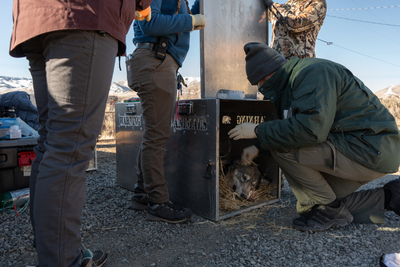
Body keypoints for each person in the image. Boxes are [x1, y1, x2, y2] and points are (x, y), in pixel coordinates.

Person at [9, 0, 152, 266]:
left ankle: (53, 245)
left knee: (52, 141)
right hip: (85, 14)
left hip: (35, 17)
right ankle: (62, 259)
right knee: (69, 146)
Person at [228, 42, 400, 231]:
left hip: (369, 148)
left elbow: (311, 129)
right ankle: (391, 196)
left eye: (258, 83)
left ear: (267, 75)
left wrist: (258, 131)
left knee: (283, 149)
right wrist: (259, 145)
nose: (260, 87)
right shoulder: (292, 85)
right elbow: (296, 125)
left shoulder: (311, 73)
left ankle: (331, 211)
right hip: (362, 149)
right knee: (317, 205)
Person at [127, 0, 205, 223]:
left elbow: (181, 19)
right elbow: (150, 24)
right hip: (155, 62)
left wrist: (198, 10)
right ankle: (158, 202)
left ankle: (142, 193)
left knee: (153, 134)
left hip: (157, 62)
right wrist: (191, 20)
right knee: (156, 137)